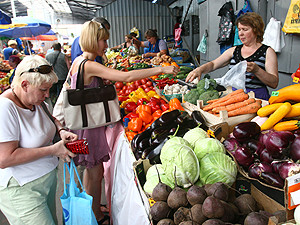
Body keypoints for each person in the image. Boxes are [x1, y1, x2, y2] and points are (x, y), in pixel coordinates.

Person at [68, 20, 178, 225]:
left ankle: (92, 209)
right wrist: (159, 70)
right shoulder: (91, 65)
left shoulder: (78, 61)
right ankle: (95, 217)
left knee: (91, 170)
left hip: (83, 124)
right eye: (103, 41)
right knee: (95, 171)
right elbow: (126, 77)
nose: (106, 46)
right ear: (93, 40)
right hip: (91, 127)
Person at [0, 55, 77, 225]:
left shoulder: (36, 102)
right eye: (43, 90)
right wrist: (53, 150)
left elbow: (51, 119)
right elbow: (5, 158)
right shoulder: (5, 108)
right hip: (21, 190)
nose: (47, 94)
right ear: (25, 84)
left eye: (49, 88)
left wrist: (61, 131)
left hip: (45, 183)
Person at [186, 12, 278, 100]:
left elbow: (274, 83)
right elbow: (213, 64)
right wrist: (199, 70)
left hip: (258, 98)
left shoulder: (267, 52)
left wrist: (257, 70)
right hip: (234, 97)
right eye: (239, 29)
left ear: (256, 31)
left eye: (245, 29)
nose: (240, 33)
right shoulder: (234, 51)